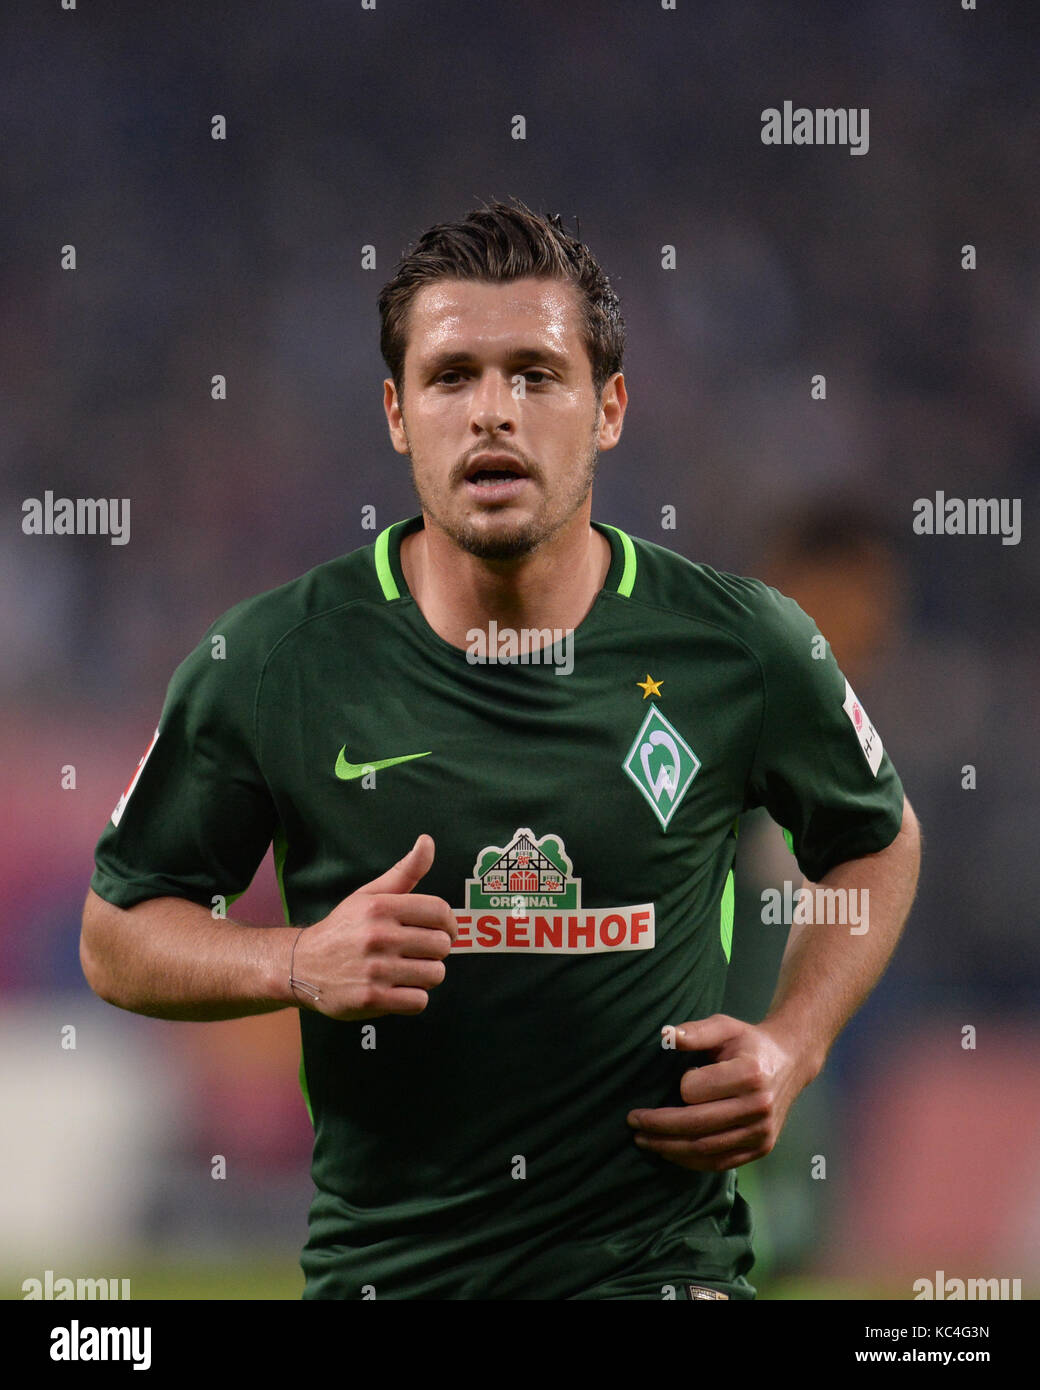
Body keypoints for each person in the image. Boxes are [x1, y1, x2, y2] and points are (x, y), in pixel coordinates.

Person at [81, 198, 921, 1301]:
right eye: (449, 377)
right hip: (385, 1277)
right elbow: (116, 933)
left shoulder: (739, 645)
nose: (492, 414)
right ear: (394, 412)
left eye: (534, 373)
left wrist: (792, 1040)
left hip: (656, 1274)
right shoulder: (272, 662)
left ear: (607, 405)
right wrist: (294, 961)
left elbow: (875, 837)